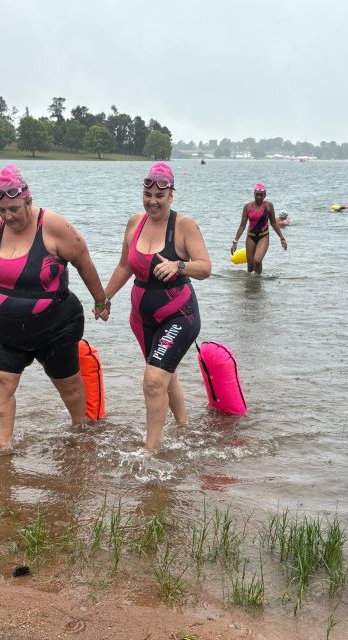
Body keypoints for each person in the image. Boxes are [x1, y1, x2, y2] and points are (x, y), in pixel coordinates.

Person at [0, 164, 110, 450]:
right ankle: (2, 451)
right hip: (4, 331)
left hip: (55, 327)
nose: (8, 216)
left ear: (28, 201)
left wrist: (100, 300)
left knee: (68, 386)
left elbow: (84, 262)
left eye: (14, 209)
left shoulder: (53, 226)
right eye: (1, 210)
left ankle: (82, 436)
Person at [99, 162, 211, 450]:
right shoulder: (135, 223)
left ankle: (151, 451)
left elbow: (205, 267)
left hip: (179, 314)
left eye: (159, 196)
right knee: (163, 374)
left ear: (170, 195)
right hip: (141, 318)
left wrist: (179, 266)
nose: (152, 201)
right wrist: (104, 298)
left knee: (153, 379)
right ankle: (184, 427)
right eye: (147, 194)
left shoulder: (183, 225)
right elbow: (125, 266)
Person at [231, 182, 287, 274]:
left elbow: (273, 222)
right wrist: (235, 241)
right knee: (250, 266)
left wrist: (282, 238)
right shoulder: (247, 207)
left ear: (265, 194)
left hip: (263, 236)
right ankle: (252, 282)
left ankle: (259, 280)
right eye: (257, 194)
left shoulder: (269, 206)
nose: (259, 196)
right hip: (250, 237)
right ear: (254, 194)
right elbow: (242, 225)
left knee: (257, 261)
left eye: (261, 194)